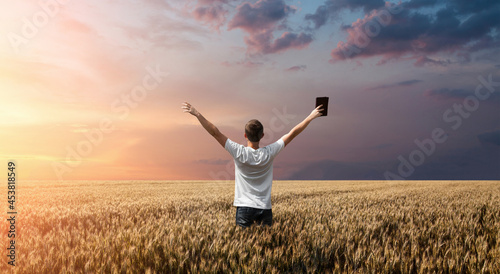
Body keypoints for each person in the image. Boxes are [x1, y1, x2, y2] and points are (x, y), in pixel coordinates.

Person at [182, 102, 323, 228]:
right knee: (265, 249)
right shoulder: (270, 152)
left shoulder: (238, 151)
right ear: (262, 136)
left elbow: (215, 132)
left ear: (245, 135)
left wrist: (197, 114)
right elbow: (292, 133)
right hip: (264, 208)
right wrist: (310, 117)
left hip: (244, 208)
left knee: (244, 247)